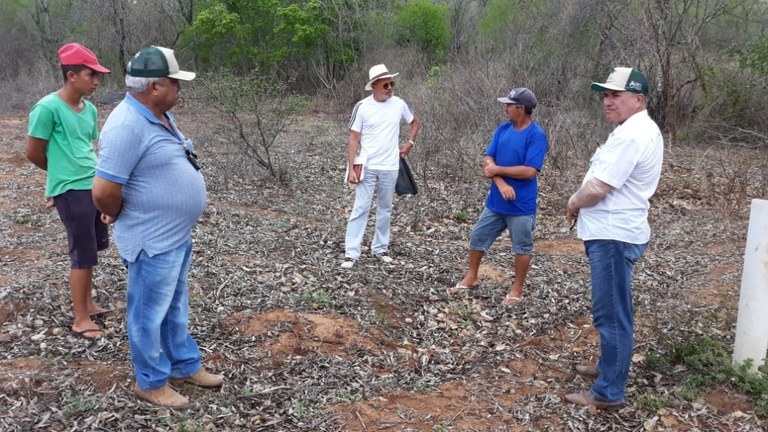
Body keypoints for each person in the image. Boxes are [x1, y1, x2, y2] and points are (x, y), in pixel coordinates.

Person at [92, 46, 222, 408]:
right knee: (147, 314)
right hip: (150, 240)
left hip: (173, 236)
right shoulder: (126, 126)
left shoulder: (158, 115)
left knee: (174, 306)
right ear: (154, 86)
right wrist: (116, 211)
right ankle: (150, 381)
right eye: (174, 82)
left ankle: (182, 364)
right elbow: (103, 191)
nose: (180, 88)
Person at [564, 67, 663, 409]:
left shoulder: (633, 135)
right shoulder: (633, 129)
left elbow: (599, 186)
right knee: (613, 309)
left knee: (611, 314)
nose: (607, 101)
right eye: (605, 95)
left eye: (616, 95)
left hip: (613, 235)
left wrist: (573, 202)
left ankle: (608, 392)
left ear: (639, 99)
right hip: (614, 232)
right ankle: (608, 367)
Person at [25, 43, 113, 340]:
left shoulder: (89, 109)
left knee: (93, 249)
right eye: (91, 75)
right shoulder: (47, 108)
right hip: (72, 190)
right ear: (71, 75)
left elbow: (85, 147)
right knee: (81, 254)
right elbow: (33, 152)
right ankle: (80, 318)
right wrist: (58, 180)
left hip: (93, 185)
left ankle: (88, 304)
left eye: (98, 76)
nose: (96, 81)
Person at [452, 88, 548, 305]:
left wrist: (497, 170)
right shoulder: (503, 128)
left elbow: (529, 171)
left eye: (509, 105)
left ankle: (517, 289)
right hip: (496, 202)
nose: (506, 108)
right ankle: (471, 277)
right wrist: (500, 181)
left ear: (521, 108)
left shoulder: (536, 135)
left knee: (521, 247)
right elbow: (488, 160)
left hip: (521, 205)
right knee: (478, 236)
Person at [341, 64, 420, 269]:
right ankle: (351, 253)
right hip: (367, 165)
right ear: (374, 86)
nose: (390, 88)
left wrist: (410, 143)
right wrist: (351, 168)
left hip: (390, 166)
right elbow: (353, 138)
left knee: (385, 208)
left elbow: (414, 122)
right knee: (361, 207)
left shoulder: (399, 104)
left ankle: (380, 249)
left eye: (392, 84)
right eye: (386, 85)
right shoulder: (362, 107)